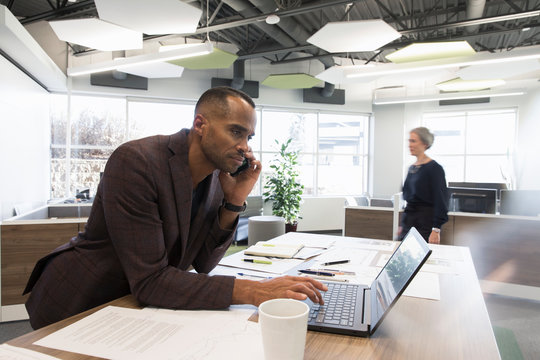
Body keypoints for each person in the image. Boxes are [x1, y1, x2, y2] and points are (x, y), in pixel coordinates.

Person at [23, 86, 326, 329]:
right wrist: (252, 290)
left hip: (133, 307)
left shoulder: (216, 178)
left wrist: (233, 201)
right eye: (236, 132)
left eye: (248, 136)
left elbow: (205, 263)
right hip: (80, 303)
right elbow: (151, 281)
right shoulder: (137, 162)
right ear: (200, 125)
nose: (245, 146)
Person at [398, 127, 448, 243]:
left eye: (413, 141)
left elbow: (441, 200)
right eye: (409, 141)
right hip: (409, 222)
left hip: (425, 224)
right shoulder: (412, 167)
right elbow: (408, 197)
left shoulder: (434, 168)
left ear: (425, 144)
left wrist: (436, 230)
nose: (409, 144)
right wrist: (402, 225)